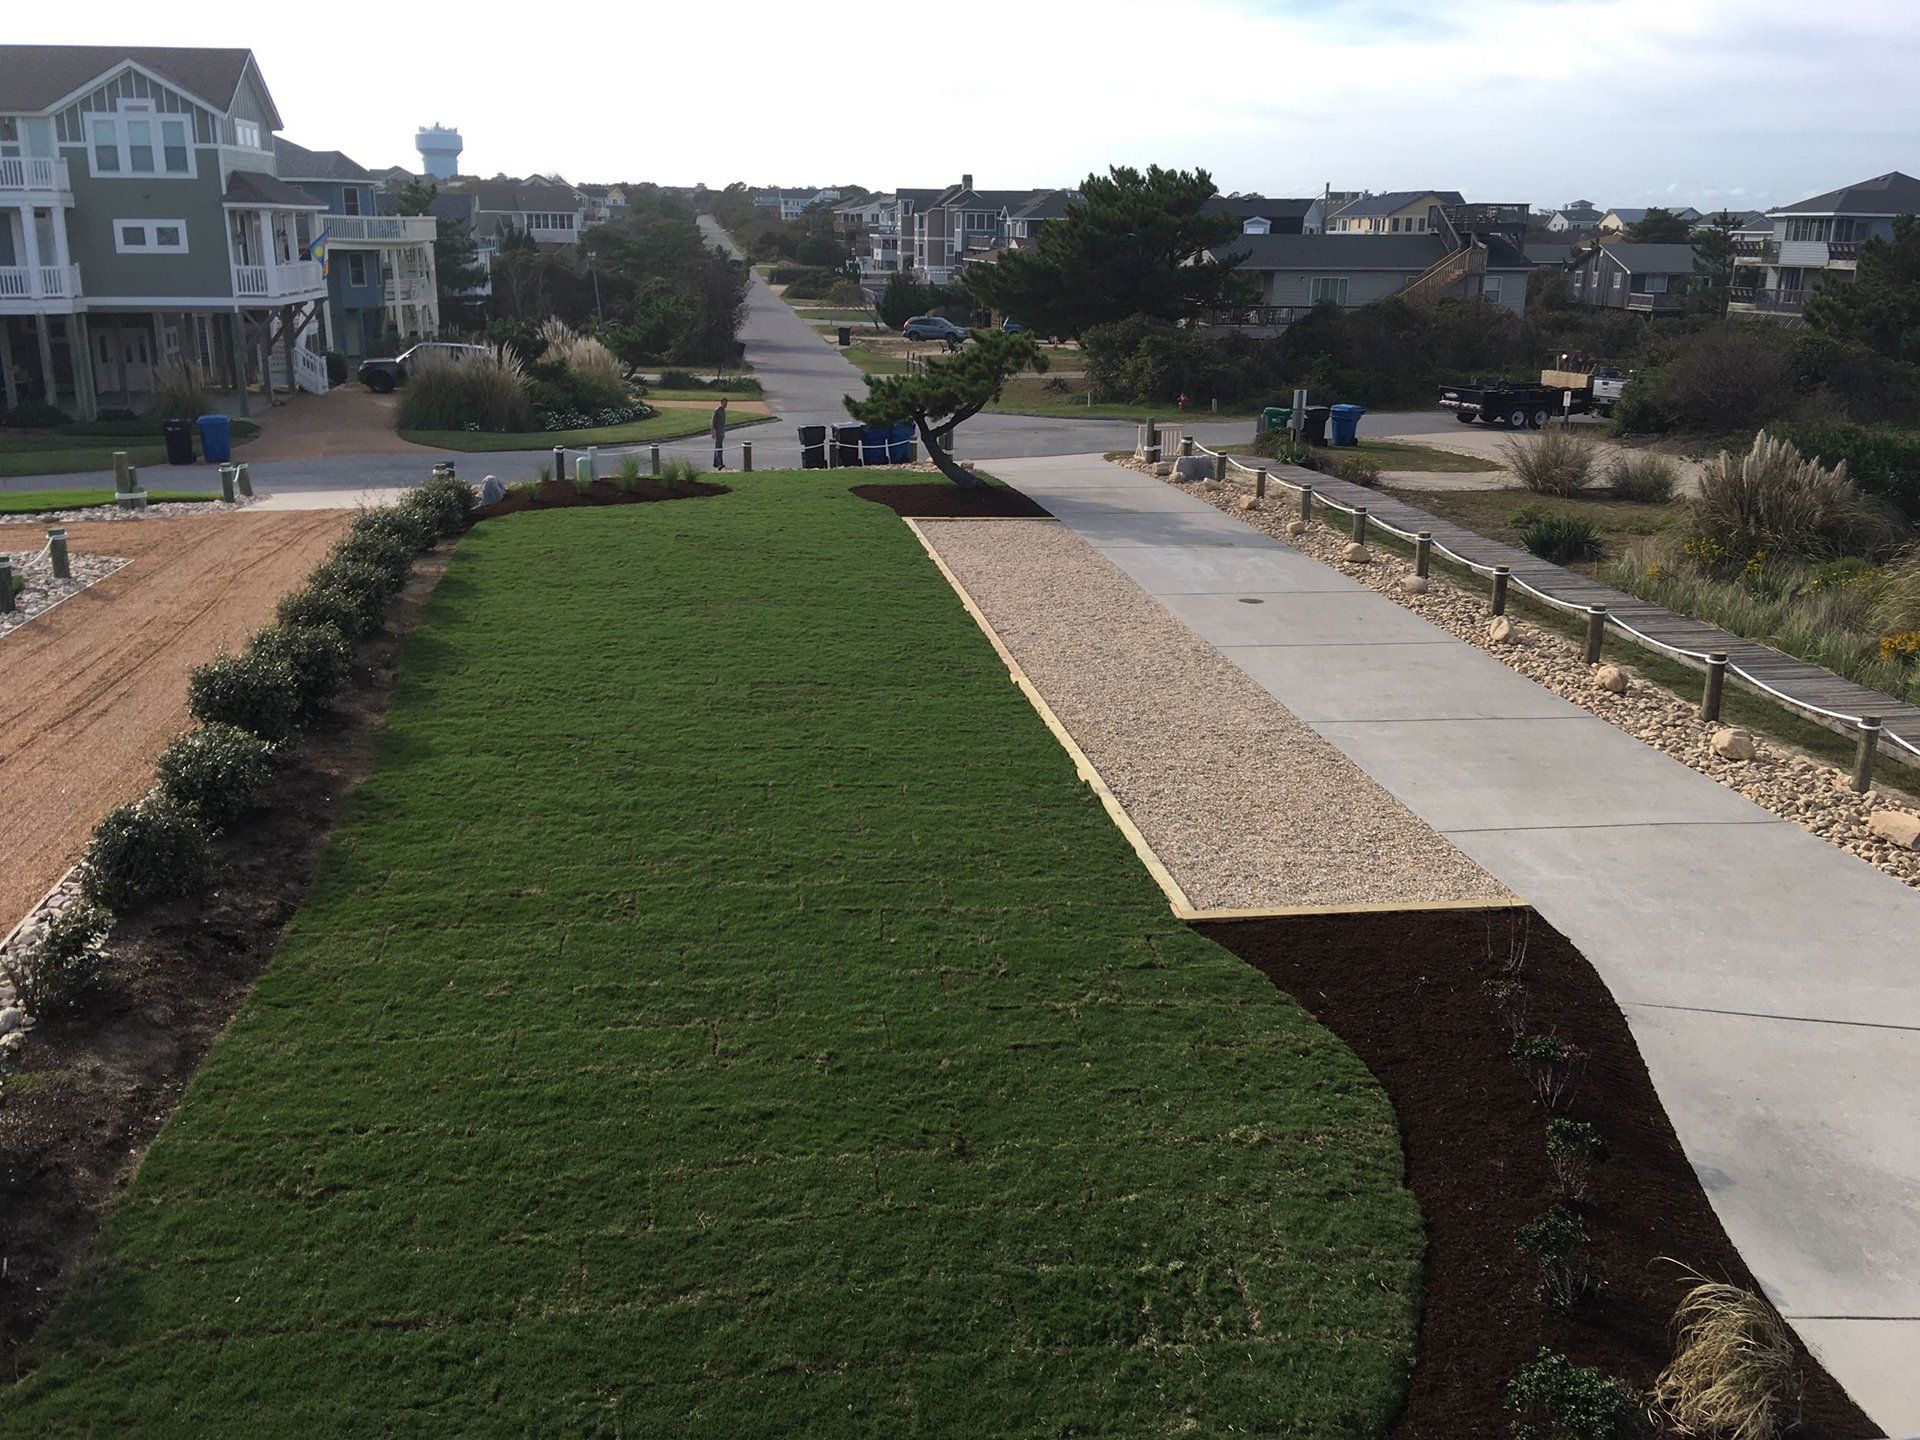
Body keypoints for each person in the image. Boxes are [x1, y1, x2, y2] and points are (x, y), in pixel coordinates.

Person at [711, 396, 729, 470]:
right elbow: (713, 422)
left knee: (717, 447)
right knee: (719, 448)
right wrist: (713, 432)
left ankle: (715, 462)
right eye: (724, 404)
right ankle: (720, 464)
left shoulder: (723, 411)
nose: (725, 405)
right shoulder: (717, 411)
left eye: (726, 404)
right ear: (721, 403)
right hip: (718, 432)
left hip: (721, 432)